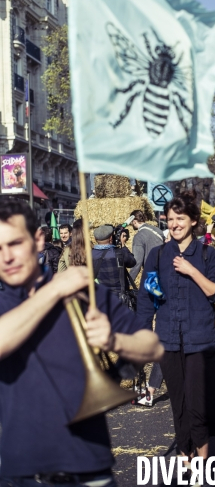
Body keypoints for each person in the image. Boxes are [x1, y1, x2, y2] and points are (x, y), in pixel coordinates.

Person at [0, 199, 163, 486]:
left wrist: (114, 340)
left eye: (14, 244)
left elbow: (152, 345)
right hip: (20, 470)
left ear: (38, 239)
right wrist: (54, 291)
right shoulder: (50, 290)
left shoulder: (84, 293)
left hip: (88, 464)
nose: (6, 258)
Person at [137, 190, 215, 474]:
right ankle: (184, 456)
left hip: (200, 341)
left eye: (180, 218)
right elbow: (148, 297)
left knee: (198, 407)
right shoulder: (157, 255)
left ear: (193, 222)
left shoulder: (206, 254)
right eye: (170, 218)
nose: (174, 224)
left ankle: (202, 462)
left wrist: (191, 270)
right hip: (168, 341)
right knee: (179, 404)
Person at [92, 225, 136, 293]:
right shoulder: (119, 253)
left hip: (100, 295)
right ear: (111, 238)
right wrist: (123, 245)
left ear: (95, 239)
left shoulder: (89, 255)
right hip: (119, 296)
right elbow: (132, 262)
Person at [129, 210, 164, 281]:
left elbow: (137, 262)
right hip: (165, 269)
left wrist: (128, 282)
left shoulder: (139, 236)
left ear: (134, 221)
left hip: (152, 274)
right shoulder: (157, 230)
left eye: (131, 222)